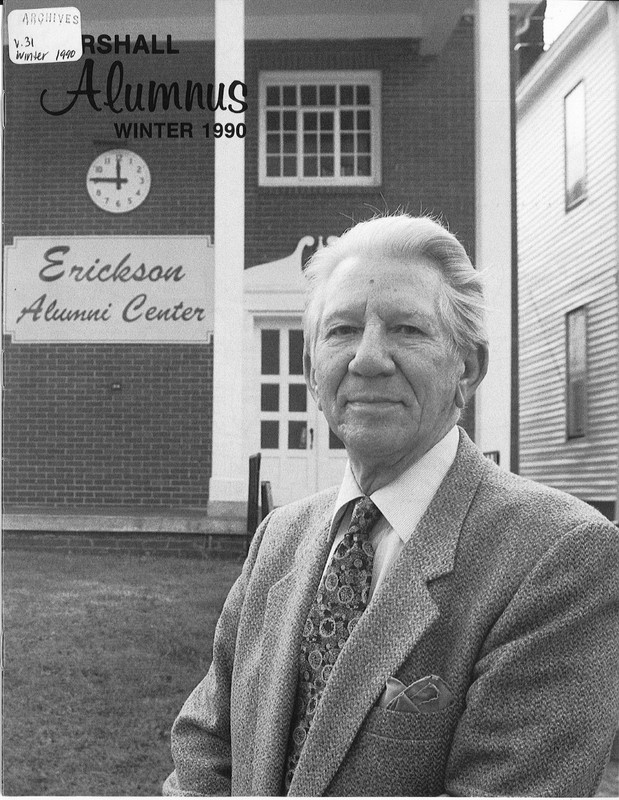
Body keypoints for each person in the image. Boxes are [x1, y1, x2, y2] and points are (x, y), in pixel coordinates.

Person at [163, 214, 619, 797]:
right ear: (311, 371)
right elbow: (205, 750)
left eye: (406, 329)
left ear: (468, 369)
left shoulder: (561, 556)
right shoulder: (279, 538)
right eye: (342, 330)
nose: (368, 358)